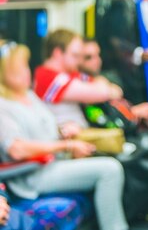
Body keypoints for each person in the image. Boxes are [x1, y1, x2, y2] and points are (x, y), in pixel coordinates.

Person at [0, 40, 128, 230]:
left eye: (26, 66)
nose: (27, 72)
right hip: (31, 175)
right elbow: (16, 149)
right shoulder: (4, 105)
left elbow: (44, 130)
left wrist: (63, 133)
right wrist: (65, 146)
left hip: (54, 161)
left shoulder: (28, 95)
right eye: (19, 68)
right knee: (110, 170)